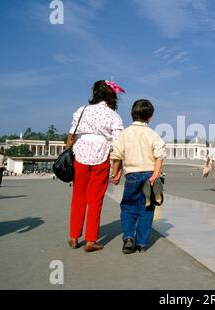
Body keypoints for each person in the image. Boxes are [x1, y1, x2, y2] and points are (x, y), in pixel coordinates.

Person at [66, 80, 125, 252]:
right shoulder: (113, 115)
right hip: (101, 155)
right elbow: (117, 144)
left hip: (81, 154)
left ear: (95, 93)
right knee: (95, 199)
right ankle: (91, 240)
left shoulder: (82, 110)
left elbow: (72, 134)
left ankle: (74, 236)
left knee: (78, 196)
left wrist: (68, 152)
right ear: (112, 95)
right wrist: (117, 168)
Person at [111, 99, 166, 254]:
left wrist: (116, 174)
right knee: (147, 207)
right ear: (150, 117)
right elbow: (160, 155)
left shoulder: (125, 134)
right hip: (150, 174)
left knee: (128, 206)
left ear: (131, 115)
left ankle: (128, 237)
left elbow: (116, 156)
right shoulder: (153, 134)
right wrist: (155, 174)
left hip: (132, 175)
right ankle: (142, 243)